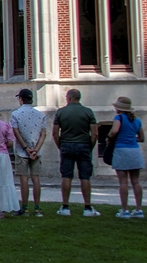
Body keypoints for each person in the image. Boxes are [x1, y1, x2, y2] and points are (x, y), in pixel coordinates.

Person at [52, 88, 100, 216]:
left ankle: (65, 207)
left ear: (69, 98)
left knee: (66, 176)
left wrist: (60, 145)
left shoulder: (61, 112)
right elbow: (94, 133)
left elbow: (55, 133)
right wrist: (90, 146)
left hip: (66, 144)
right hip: (84, 145)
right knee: (85, 176)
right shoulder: (88, 112)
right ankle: (87, 207)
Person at [9, 88, 47, 217]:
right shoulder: (40, 115)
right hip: (36, 151)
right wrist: (36, 149)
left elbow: (16, 132)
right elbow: (43, 134)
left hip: (22, 151)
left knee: (23, 179)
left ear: (21, 99)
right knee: (36, 178)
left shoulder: (16, 114)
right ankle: (37, 208)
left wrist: (26, 148)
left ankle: (24, 208)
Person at [107, 96, 144, 219]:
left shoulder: (119, 118)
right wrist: (132, 138)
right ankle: (139, 210)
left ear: (119, 109)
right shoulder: (137, 121)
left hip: (121, 150)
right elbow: (141, 138)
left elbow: (114, 131)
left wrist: (109, 137)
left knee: (123, 182)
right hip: (135, 151)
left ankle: (125, 210)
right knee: (136, 182)